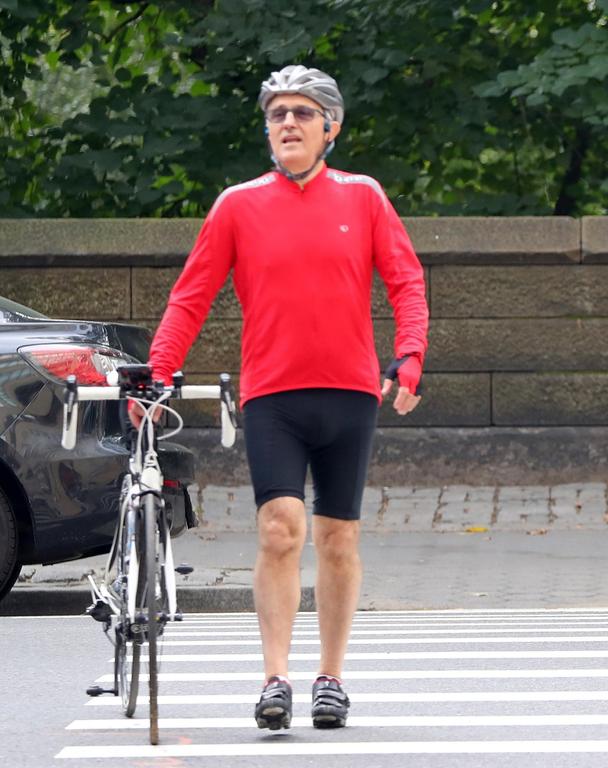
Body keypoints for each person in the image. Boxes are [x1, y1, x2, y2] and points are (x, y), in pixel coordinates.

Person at [137, 64, 428, 729]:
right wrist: (158, 373)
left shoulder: (364, 197)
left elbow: (406, 283)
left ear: (332, 126)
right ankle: (276, 679)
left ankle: (332, 677)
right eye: (277, 114)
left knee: (338, 537)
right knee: (279, 530)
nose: (288, 123)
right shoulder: (238, 204)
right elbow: (192, 296)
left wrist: (409, 358)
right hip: (272, 394)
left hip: (351, 392)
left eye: (302, 112)